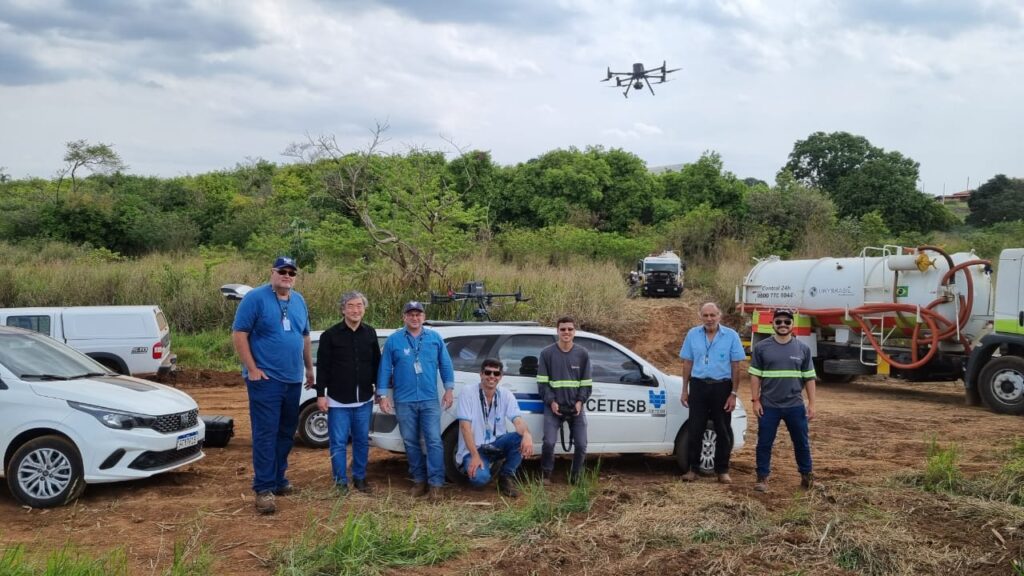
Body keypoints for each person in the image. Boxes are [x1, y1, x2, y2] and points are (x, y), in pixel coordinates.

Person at [231, 256, 314, 514]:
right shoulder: (255, 298)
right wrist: (253, 369)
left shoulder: (299, 300)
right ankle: (264, 488)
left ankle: (279, 479)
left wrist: (309, 368)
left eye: (291, 272)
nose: (287, 275)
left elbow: (305, 336)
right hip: (266, 381)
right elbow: (239, 333)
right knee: (266, 434)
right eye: (282, 271)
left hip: (292, 379)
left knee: (286, 432)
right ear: (273, 273)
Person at [378, 301, 455, 501]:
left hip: (430, 400)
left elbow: (445, 364)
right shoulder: (394, 340)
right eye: (410, 314)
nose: (414, 317)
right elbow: (385, 369)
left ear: (423, 316)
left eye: (418, 314)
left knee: (434, 441)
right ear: (404, 317)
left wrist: (449, 389)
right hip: (404, 401)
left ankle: (436, 484)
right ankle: (419, 480)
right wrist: (383, 394)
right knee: (411, 442)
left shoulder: (435, 338)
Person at [315, 291, 380, 495]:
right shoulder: (330, 335)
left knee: (361, 440)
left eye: (359, 305)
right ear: (343, 309)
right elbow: (323, 368)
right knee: (339, 442)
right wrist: (320, 394)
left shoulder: (370, 333)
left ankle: (360, 477)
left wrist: (379, 389)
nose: (355, 310)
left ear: (364, 308)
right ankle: (340, 481)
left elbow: (376, 363)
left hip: (364, 400)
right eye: (351, 306)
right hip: (337, 400)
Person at [748, 308, 817, 493]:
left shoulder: (803, 349)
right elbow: (755, 376)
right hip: (769, 406)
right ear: (772, 324)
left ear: (792, 325)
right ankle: (762, 478)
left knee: (801, 442)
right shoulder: (761, 348)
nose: (783, 325)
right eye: (779, 322)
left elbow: (809, 378)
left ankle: (806, 476)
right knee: (764, 443)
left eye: (787, 322)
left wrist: (812, 404)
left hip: (795, 405)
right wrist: (755, 400)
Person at [678, 302, 746, 484]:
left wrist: (733, 393)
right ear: (700, 316)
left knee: (723, 430)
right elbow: (687, 363)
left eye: (713, 315)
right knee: (695, 428)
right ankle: (693, 469)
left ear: (720, 315)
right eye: (705, 315)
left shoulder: (731, 336)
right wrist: (685, 389)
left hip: (722, 388)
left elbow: (736, 366)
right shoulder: (692, 334)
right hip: (699, 386)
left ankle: (722, 470)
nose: (709, 319)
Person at [456, 358, 534, 497]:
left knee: (520, 436)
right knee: (480, 479)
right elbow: (464, 427)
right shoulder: (468, 392)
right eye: (488, 372)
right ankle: (473, 465)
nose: (492, 376)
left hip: (496, 444)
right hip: (476, 448)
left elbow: (517, 420)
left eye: (496, 374)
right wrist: (475, 456)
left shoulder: (505, 394)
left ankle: (505, 477)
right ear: (481, 374)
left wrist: (527, 434)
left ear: (501, 377)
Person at [538, 315, 592, 484]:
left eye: (569, 329)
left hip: (575, 406)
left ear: (574, 331)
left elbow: (586, 383)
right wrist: (551, 402)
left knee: (582, 445)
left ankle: (575, 476)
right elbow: (542, 384)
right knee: (548, 442)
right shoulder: (547, 353)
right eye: (563, 329)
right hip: (553, 407)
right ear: (557, 331)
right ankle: (546, 474)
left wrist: (579, 402)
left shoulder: (583, 354)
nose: (566, 332)